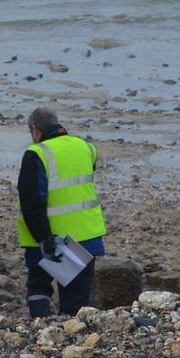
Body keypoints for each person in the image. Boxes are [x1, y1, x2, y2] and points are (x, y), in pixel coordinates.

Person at [16, 106, 106, 318]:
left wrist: (43, 237)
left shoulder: (36, 153)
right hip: (87, 236)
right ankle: (75, 333)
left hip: (53, 240)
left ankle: (42, 328)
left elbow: (32, 202)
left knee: (39, 287)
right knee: (77, 296)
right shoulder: (85, 147)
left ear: (35, 130)